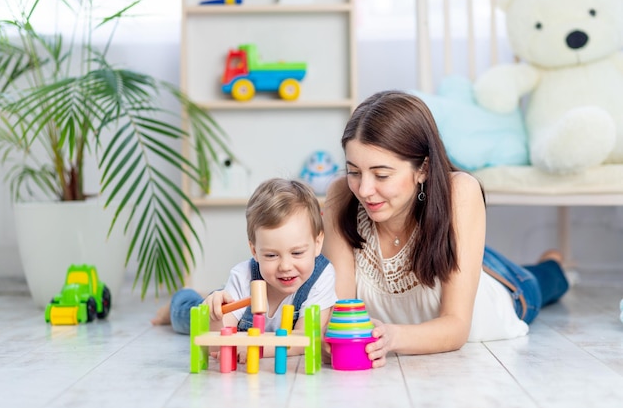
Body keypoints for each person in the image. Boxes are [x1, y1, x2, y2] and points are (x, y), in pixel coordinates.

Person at [321, 90, 569, 368]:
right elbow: (335, 314)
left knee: (545, 279)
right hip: (440, 253)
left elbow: (456, 328)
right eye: (353, 171)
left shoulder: (460, 191)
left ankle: (552, 261)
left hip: (503, 288)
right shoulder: (341, 195)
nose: (364, 190)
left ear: (423, 168)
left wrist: (391, 337)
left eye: (381, 175)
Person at [152, 178, 338, 362]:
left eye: (297, 253)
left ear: (317, 243)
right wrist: (216, 318)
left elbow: (304, 339)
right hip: (216, 311)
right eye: (272, 255)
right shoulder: (243, 276)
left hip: (251, 336)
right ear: (254, 250)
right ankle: (177, 303)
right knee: (189, 316)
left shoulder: (321, 276)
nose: (285, 266)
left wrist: (255, 348)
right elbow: (215, 345)